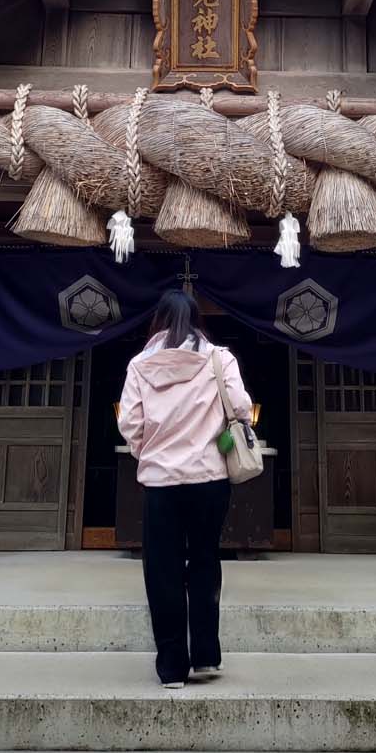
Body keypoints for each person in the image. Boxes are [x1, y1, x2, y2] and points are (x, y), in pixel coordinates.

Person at [117, 289, 253, 689]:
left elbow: (130, 424)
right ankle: (206, 656)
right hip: (209, 479)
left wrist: (152, 453)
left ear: (157, 321)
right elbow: (242, 407)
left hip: (161, 483)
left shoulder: (139, 365)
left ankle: (172, 666)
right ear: (196, 321)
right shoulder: (219, 358)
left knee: (163, 570)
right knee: (205, 561)